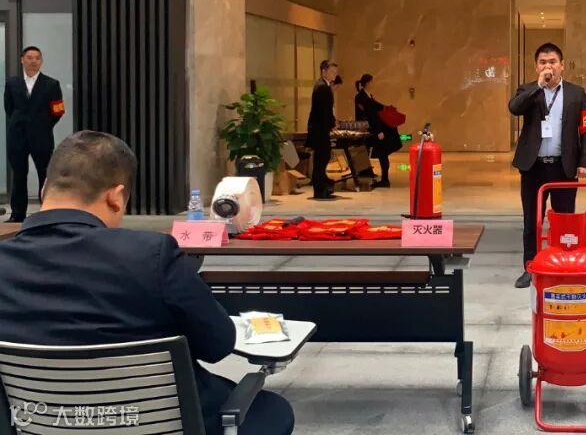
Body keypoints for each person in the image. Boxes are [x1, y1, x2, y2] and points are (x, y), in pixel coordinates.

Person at [0, 131, 294, 435]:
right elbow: (218, 344)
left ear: (45, 189)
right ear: (116, 197)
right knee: (271, 410)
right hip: (161, 424)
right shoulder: (151, 255)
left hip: (40, 423)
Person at [508, 43, 586, 289]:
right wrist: (538, 86)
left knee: (564, 220)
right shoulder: (528, 90)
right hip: (533, 167)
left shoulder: (576, 93)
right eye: (543, 62)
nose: (548, 66)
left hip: (563, 167)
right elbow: (514, 108)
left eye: (553, 62)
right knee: (531, 221)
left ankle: (562, 265)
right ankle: (530, 268)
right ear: (536, 66)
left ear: (562, 65)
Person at [4, 46, 65, 223]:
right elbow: (9, 108)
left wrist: (44, 125)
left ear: (41, 61)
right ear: (22, 60)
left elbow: (58, 111)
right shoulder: (12, 83)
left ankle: (47, 213)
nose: (33, 61)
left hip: (42, 136)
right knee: (19, 175)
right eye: (29, 57)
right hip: (17, 136)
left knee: (45, 175)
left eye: (37, 58)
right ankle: (17, 215)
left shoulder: (51, 84)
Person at [355, 74, 402, 188]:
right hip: (375, 128)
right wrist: (378, 130)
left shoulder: (369, 96)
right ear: (367, 83)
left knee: (382, 153)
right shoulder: (361, 97)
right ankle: (381, 178)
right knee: (381, 153)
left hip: (378, 128)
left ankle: (383, 178)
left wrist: (387, 108)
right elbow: (370, 114)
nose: (373, 84)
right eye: (372, 82)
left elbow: (376, 109)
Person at [306, 60, 338, 200]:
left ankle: (323, 187)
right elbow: (324, 111)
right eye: (332, 71)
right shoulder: (322, 87)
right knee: (321, 160)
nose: (334, 74)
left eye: (335, 72)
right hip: (319, 130)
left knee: (323, 158)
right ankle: (319, 190)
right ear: (324, 71)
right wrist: (332, 123)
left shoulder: (324, 86)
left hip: (321, 129)